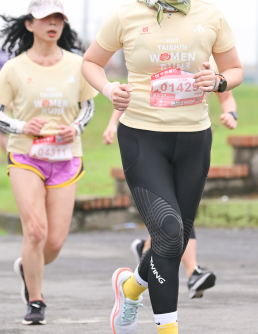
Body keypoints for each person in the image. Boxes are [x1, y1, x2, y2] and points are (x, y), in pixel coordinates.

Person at [82, 0, 243, 334]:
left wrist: (221, 83)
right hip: (143, 137)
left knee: (177, 236)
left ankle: (131, 286)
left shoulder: (211, 15)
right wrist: (108, 89)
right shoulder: (126, 14)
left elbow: (234, 69)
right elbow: (91, 62)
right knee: (169, 232)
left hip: (194, 139)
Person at [0, 0, 97, 325]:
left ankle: (27, 266)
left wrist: (75, 128)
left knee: (55, 241)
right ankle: (36, 300)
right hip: (26, 155)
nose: (53, 24)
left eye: (58, 18)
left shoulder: (78, 65)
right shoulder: (14, 68)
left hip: (66, 156)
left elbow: (88, 106)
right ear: (29, 24)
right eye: (46, 18)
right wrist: (22, 126)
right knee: (35, 231)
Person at [102, 78, 238, 299]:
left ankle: (145, 254)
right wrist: (112, 123)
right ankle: (192, 271)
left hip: (193, 143)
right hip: (153, 143)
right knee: (173, 217)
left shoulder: (209, 64)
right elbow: (129, 93)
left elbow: (227, 95)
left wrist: (231, 114)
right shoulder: (158, 59)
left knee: (177, 216)